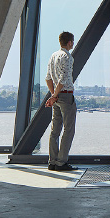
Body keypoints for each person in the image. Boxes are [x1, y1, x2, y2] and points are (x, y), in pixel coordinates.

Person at [44, 31, 77, 171]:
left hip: (57, 97)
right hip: (66, 96)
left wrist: (53, 95)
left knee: (55, 130)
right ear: (69, 42)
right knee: (68, 129)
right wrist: (55, 95)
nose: (73, 44)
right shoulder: (67, 57)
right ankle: (61, 162)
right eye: (73, 42)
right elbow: (63, 80)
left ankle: (52, 161)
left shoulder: (53, 55)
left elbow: (48, 78)